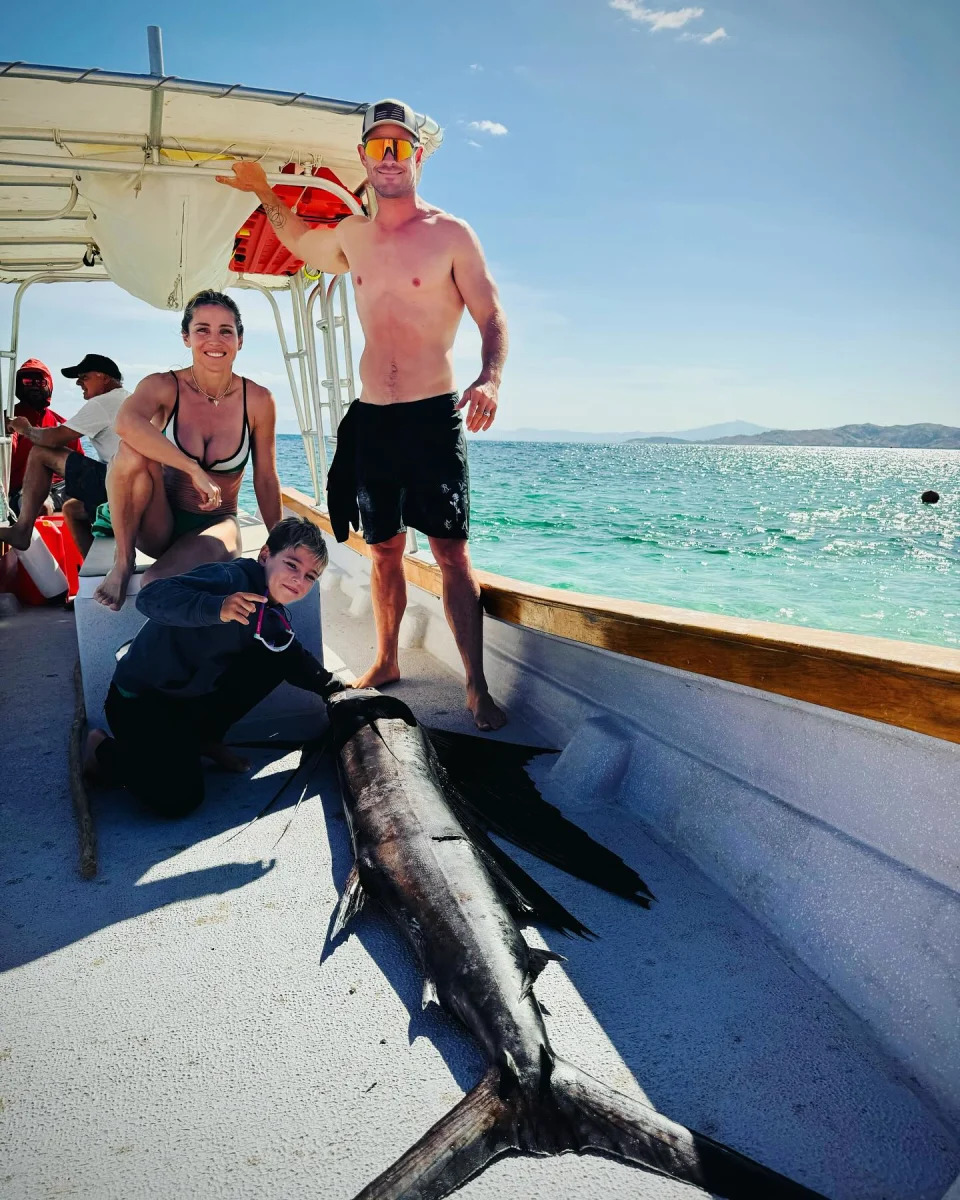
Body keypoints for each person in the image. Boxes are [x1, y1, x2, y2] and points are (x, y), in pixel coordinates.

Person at [217, 99, 509, 730]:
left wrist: (490, 376)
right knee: (382, 551)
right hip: (373, 420)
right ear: (363, 159)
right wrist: (264, 188)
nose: (388, 157)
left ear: (416, 157)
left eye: (398, 146)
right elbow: (296, 237)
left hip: (433, 417)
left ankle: (477, 687)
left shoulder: (451, 235)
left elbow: (490, 314)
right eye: (377, 147)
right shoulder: (354, 236)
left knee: (452, 553)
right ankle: (385, 660)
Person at [84, 516, 342, 818]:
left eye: (311, 576)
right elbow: (151, 597)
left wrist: (337, 689)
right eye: (292, 565)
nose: (299, 580)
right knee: (179, 798)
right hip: (140, 702)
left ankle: (205, 740)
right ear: (264, 556)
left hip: (189, 699)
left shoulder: (271, 611)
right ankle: (102, 748)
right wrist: (216, 608)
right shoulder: (229, 579)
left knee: (277, 652)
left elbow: (292, 656)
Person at [94, 290, 283, 612]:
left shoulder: (259, 400)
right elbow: (126, 422)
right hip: (159, 522)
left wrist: (280, 541)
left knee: (156, 586)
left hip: (216, 523)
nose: (215, 340)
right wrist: (193, 469)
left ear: (240, 340)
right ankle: (123, 561)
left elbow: (265, 477)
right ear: (186, 337)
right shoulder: (163, 386)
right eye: (202, 330)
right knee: (132, 450)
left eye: (226, 330)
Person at [0, 354, 128, 556]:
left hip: (120, 485)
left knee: (41, 452)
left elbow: (53, 439)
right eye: (27, 381)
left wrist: (25, 429)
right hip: (128, 483)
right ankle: (92, 572)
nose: (78, 382)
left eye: (84, 377)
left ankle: (22, 530)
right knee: (72, 510)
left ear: (103, 377)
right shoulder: (127, 399)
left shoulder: (102, 403)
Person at [3, 359, 83, 520]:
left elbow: (80, 465)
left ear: (49, 385)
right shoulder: (7, 421)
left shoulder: (62, 424)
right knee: (41, 506)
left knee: (102, 498)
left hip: (62, 487)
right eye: (27, 381)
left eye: (39, 382)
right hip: (24, 488)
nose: (34, 385)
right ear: (19, 385)